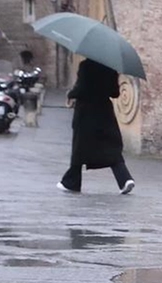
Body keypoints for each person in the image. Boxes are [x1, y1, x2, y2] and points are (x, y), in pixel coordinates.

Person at [57, 59, 134, 195]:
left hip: (86, 112)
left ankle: (72, 182)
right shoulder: (111, 67)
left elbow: (81, 88)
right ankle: (124, 179)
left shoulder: (85, 65)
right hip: (104, 112)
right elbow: (115, 93)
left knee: (79, 148)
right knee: (111, 146)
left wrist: (70, 94)